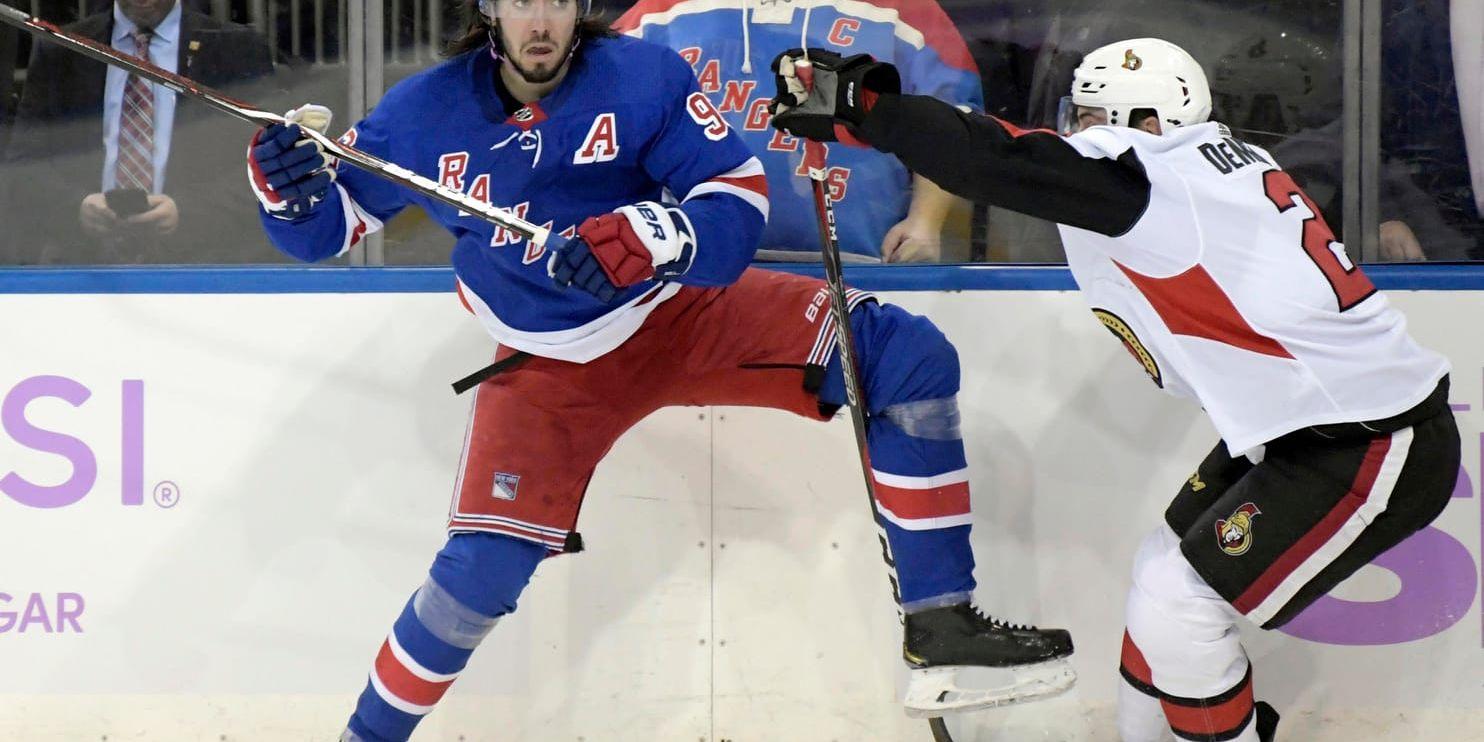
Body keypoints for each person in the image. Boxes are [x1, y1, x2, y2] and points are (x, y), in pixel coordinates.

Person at [244, 1, 1073, 739]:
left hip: (678, 314)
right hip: (550, 366)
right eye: (523, 3)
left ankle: (940, 623)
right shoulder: (422, 112)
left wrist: (651, 236)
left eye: (559, 3)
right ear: (490, 11)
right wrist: (284, 193)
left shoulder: (639, 75)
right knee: (477, 579)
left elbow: (737, 202)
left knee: (908, 358)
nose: (542, 23)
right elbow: (324, 231)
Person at [769, 37, 1460, 742]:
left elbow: (993, 159)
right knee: (1161, 572)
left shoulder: (1159, 178)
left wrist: (867, 107)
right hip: (1311, 428)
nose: (1077, 135)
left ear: (1153, 126)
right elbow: (1013, 152)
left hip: (1372, 443)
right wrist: (868, 118)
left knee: (1181, 604)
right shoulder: (1207, 164)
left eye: (1095, 117)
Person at [614, 0, 981, 263]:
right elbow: (596, 113)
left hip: (863, 268)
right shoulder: (657, 14)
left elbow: (952, 117)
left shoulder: (904, 11)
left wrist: (925, 221)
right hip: (695, 269)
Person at [0, 0, 274, 264]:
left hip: (204, 264)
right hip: (84, 266)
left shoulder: (238, 49)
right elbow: (23, 167)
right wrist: (75, 208)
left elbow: (266, 175)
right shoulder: (61, 48)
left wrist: (189, 214)